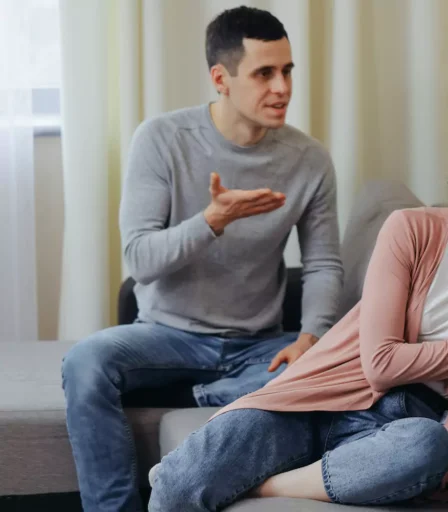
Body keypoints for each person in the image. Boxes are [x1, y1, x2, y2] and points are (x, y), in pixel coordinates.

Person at [148, 109, 448, 511]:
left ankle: (271, 485)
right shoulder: (411, 229)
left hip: (404, 424)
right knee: (177, 483)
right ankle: (298, 467)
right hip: (322, 398)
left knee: (427, 447)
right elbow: (380, 364)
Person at [61, 6, 343, 512]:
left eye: (287, 71)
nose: (282, 87)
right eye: (264, 73)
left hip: (259, 346)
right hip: (167, 335)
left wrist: (311, 338)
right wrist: (210, 222)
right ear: (221, 78)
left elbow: (323, 263)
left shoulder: (310, 159)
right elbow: (139, 258)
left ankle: (221, 390)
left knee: (336, 365)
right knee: (85, 361)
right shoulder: (162, 139)